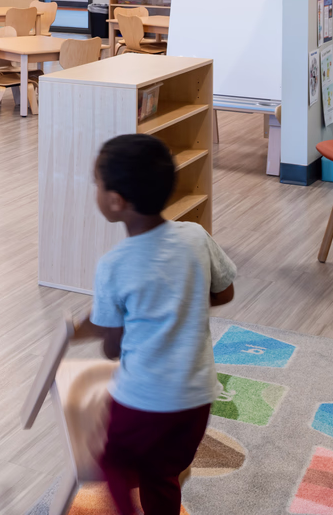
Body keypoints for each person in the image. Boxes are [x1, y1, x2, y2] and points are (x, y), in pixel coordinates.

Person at [72, 134, 236, 515]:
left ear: (116, 202)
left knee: (111, 461)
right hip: (198, 398)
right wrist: (185, 300)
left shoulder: (114, 265)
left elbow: (112, 348)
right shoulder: (196, 236)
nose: (95, 189)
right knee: (163, 474)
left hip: (144, 400)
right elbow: (224, 293)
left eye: (97, 183)